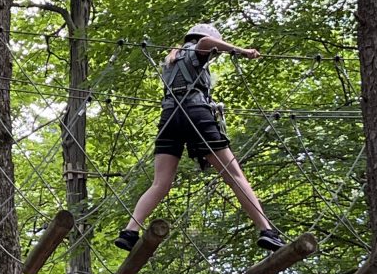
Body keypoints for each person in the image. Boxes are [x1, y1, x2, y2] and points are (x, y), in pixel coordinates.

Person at [114, 23, 284, 253]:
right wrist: (242, 51)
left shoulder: (171, 60)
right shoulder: (196, 49)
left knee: (160, 183)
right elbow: (205, 43)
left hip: (169, 118)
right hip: (196, 115)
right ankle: (266, 230)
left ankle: (129, 231)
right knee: (234, 175)